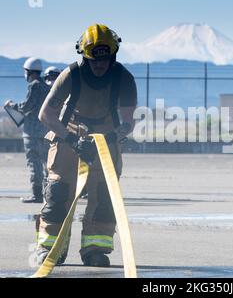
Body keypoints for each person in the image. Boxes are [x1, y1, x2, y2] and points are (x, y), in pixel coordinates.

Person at [36, 24, 137, 267]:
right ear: (85, 57)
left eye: (105, 60)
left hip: (105, 142)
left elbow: (128, 120)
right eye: (94, 60)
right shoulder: (71, 75)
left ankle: (95, 250)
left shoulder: (124, 78)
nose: (100, 65)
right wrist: (71, 139)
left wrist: (115, 135)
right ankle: (50, 249)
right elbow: (46, 115)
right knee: (58, 194)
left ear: (113, 56)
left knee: (104, 197)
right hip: (68, 138)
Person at [4, 58, 51, 203]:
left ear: (28, 72)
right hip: (46, 129)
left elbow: (26, 107)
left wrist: (12, 105)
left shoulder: (34, 85)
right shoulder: (46, 86)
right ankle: (48, 193)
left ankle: (37, 195)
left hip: (32, 132)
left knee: (34, 162)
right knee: (47, 163)